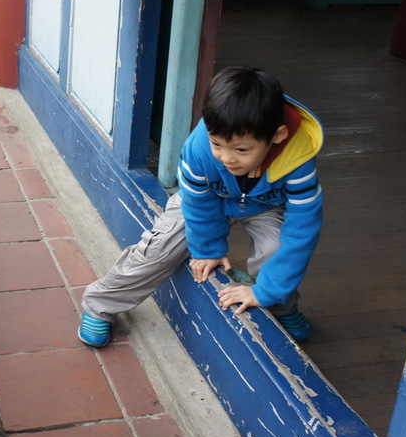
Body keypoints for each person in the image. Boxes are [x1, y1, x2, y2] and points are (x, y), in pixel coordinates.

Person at [78, 66, 323, 346]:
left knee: (277, 250)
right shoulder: (200, 147)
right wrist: (207, 249)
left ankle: (281, 307)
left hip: (264, 205)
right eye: (217, 144)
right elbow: (197, 201)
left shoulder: (298, 159)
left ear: (277, 136)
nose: (226, 158)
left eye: (242, 150)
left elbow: (302, 230)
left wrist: (265, 292)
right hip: (208, 198)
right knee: (160, 248)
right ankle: (101, 304)